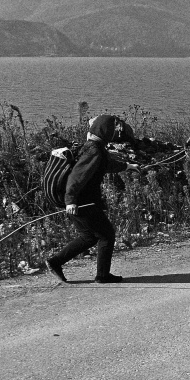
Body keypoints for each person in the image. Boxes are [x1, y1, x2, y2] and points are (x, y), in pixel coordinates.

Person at [45, 114, 140, 283]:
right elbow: (76, 177)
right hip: (82, 201)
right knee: (107, 235)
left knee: (89, 236)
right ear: (106, 132)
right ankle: (102, 275)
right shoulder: (94, 150)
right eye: (113, 130)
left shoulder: (93, 147)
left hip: (81, 201)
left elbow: (105, 165)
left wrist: (127, 166)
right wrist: (70, 201)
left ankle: (55, 262)